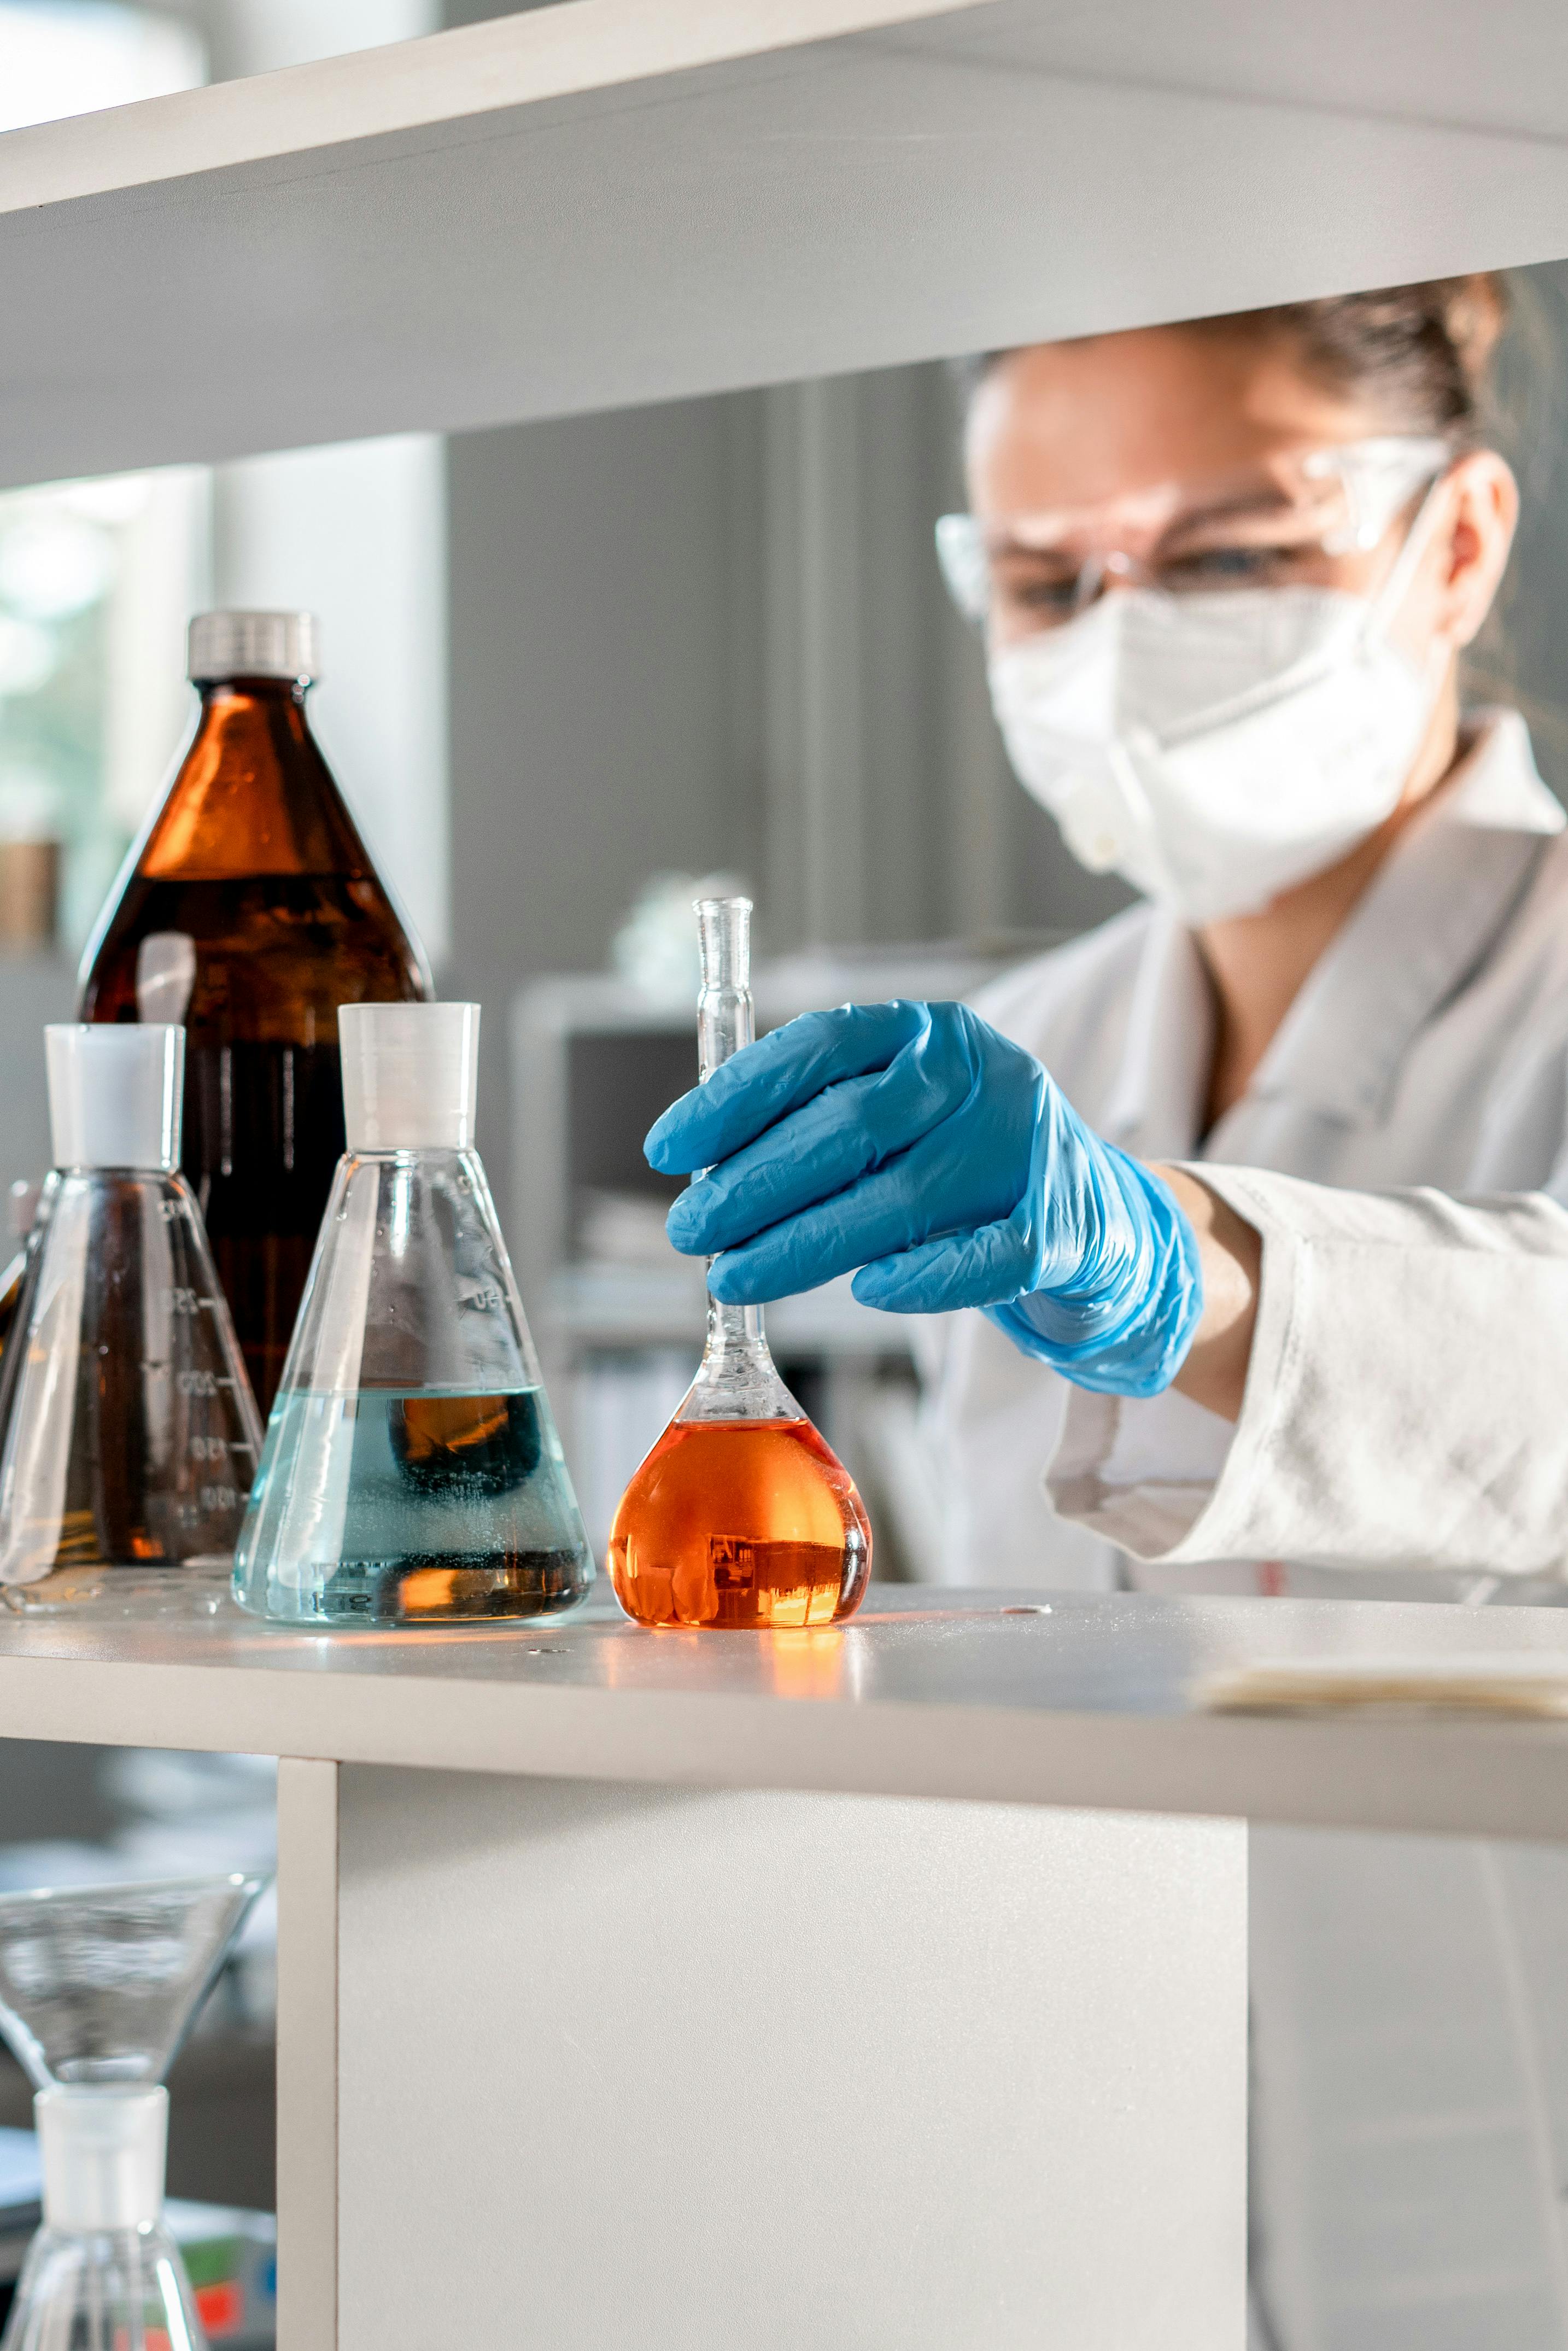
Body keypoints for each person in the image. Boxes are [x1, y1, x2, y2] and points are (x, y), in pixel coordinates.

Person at [648, 279, 1568, 2346]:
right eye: (1048, 580)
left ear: (1454, 541)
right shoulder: (1022, 1059)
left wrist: (1180, 1269)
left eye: (1226, 557)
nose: (1123, 645)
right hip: (1090, 2202)